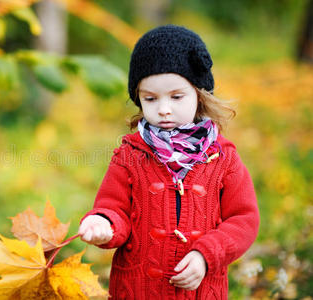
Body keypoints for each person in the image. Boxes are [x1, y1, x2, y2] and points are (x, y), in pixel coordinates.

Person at [78, 25, 260, 299]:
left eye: (176, 97)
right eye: (150, 98)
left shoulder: (223, 158)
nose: (163, 109)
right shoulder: (129, 156)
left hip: (200, 291)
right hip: (139, 290)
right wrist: (104, 224)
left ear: (199, 94)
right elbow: (113, 208)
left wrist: (206, 254)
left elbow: (244, 219)